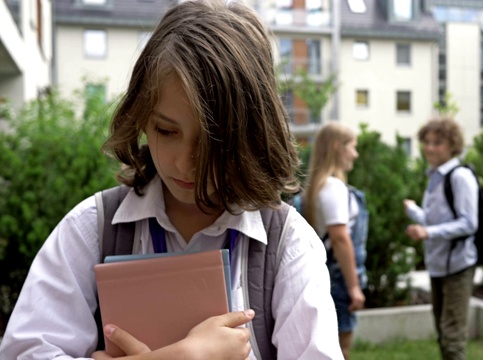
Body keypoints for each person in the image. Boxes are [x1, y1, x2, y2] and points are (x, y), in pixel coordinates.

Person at [0, 1, 342, 359]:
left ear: (250, 136)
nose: (185, 163)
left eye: (214, 141)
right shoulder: (91, 226)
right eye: (166, 130)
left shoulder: (288, 242)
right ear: (141, 117)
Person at [403, 117, 478, 360]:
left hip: (457, 265)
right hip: (438, 265)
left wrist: (428, 232)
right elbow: (437, 221)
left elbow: (469, 223)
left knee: (452, 335)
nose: (430, 147)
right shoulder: (435, 177)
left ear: (453, 145)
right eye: (427, 142)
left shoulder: (460, 176)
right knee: (443, 333)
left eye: (438, 143)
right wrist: (416, 214)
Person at [302, 122, 367, 360]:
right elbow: (340, 238)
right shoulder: (333, 188)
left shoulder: (320, 186)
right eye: (353, 147)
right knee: (341, 349)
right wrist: (354, 286)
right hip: (339, 278)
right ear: (338, 147)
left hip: (332, 276)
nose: (355, 154)